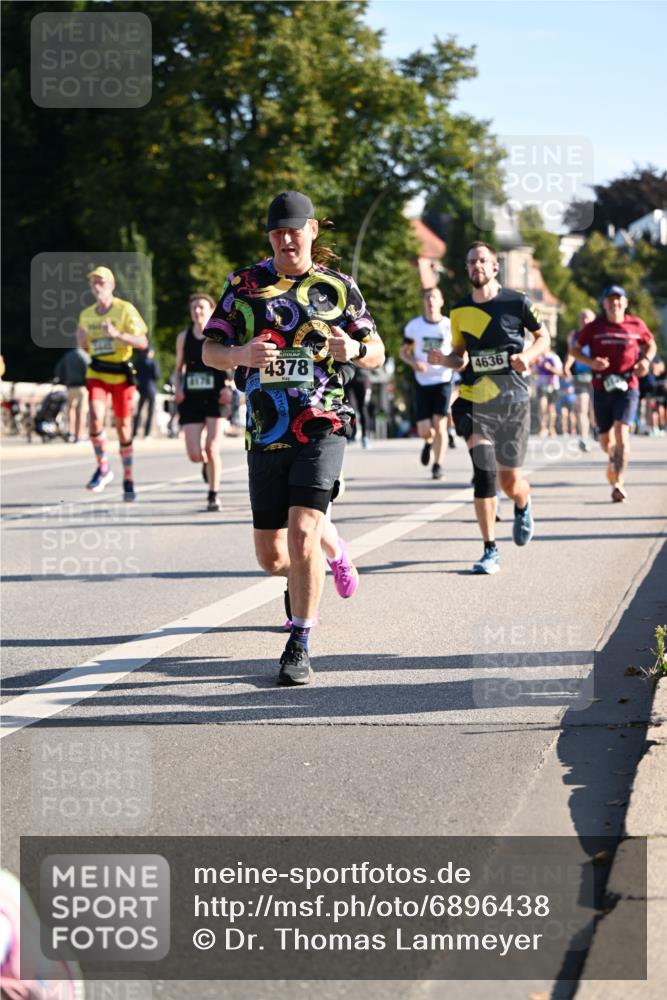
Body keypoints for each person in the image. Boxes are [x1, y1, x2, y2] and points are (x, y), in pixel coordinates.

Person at [202, 190, 384, 685]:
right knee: (273, 557)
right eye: (278, 232)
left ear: (312, 231)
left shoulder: (337, 288)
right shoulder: (244, 285)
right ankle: (333, 552)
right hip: (267, 431)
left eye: (295, 230)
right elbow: (209, 351)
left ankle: (299, 641)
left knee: (302, 530)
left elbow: (378, 351)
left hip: (324, 423)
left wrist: (355, 350)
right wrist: (239, 355)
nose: (286, 239)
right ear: (269, 237)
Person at [432, 241, 550, 574]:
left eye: (482, 260)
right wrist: (445, 360)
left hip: (512, 400)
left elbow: (543, 338)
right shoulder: (459, 309)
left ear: (495, 266)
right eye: (471, 262)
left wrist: (527, 356)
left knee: (510, 482)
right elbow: (461, 357)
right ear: (467, 268)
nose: (477, 266)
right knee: (485, 473)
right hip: (474, 399)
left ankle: (523, 502)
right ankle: (490, 549)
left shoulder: (517, 302)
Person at [571, 285, 656, 501]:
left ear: (625, 303)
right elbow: (574, 349)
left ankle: (618, 482)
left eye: (619, 299)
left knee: (621, 431)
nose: (615, 303)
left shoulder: (636, 324)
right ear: (604, 304)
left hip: (628, 385)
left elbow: (651, 344)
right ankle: (612, 457)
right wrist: (591, 362)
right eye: (610, 300)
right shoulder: (594, 327)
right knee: (605, 440)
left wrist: (646, 361)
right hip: (602, 387)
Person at [76, 266, 148, 499]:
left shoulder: (125, 309)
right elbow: (86, 348)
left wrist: (117, 334)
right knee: (95, 418)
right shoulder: (86, 315)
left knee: (123, 428)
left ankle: (128, 477)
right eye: (93, 283)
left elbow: (142, 342)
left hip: (121, 374)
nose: (97, 286)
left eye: (101, 282)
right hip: (97, 372)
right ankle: (104, 468)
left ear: (111, 285)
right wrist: (82, 342)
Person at [173, 293, 233, 512]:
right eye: (194, 308)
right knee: (195, 454)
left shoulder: (220, 334)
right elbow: (178, 369)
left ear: (211, 310)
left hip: (216, 396)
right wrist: (177, 387)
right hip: (191, 397)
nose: (197, 311)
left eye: (201, 307)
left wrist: (229, 387)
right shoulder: (184, 337)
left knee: (212, 447)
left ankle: (213, 495)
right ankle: (206, 464)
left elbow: (232, 364)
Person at [399, 286, 453, 480]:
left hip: (443, 379)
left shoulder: (449, 326)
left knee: (440, 425)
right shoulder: (414, 326)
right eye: (428, 297)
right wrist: (414, 363)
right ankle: (428, 442)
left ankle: (437, 465)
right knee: (425, 431)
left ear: (441, 302)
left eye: (434, 297)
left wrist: (449, 361)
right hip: (422, 381)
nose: (431, 301)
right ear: (424, 302)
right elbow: (403, 352)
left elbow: (458, 352)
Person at [564, 308, 596, 451]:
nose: (585, 320)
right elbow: (572, 353)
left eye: (588, 318)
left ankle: (596, 429)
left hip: (596, 375)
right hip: (581, 376)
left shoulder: (598, 334)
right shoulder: (574, 335)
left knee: (595, 408)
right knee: (582, 407)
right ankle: (584, 437)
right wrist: (567, 366)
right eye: (582, 318)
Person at [53, 346, 90, 442]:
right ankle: (79, 435)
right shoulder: (84, 355)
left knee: (71, 410)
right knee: (81, 411)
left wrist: (64, 380)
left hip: (70, 387)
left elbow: (58, 369)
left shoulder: (67, 355)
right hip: (82, 387)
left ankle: (71, 433)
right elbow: (89, 370)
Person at [132, 348, 161, 438]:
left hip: (141, 389)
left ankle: (134, 433)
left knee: (138, 411)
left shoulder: (138, 362)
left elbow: (134, 375)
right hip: (151, 389)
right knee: (150, 412)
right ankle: (147, 434)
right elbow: (157, 376)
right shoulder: (153, 363)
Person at [533, 349, 562, 437]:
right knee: (542, 406)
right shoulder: (538, 358)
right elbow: (533, 370)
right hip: (541, 385)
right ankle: (543, 427)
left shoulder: (554, 357)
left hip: (553, 385)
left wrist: (550, 368)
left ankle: (551, 428)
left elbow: (560, 372)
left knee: (551, 408)